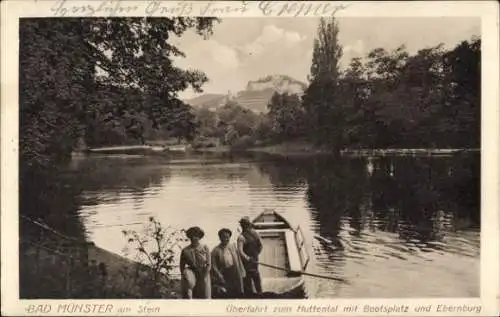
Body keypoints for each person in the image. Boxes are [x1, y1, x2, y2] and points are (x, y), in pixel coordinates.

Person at [211, 228, 246, 298]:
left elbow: (238, 261)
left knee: (237, 292)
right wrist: (219, 275)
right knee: (227, 293)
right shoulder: (215, 250)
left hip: (234, 271)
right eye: (224, 237)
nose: (226, 239)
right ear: (220, 238)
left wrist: (242, 272)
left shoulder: (233, 247)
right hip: (224, 273)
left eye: (228, 237)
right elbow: (213, 265)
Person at [180, 226, 211, 299]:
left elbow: (209, 263)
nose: (194, 238)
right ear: (190, 237)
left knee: (204, 294)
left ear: (200, 237)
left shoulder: (204, 247)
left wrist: (205, 274)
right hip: (191, 272)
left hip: (204, 272)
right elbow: (182, 265)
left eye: (196, 236)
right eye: (192, 236)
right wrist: (185, 275)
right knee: (190, 292)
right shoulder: (185, 250)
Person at [237, 216, 263, 297]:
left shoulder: (242, 237)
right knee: (253, 275)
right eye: (245, 225)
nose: (246, 226)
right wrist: (252, 256)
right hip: (250, 260)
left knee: (252, 275)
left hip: (251, 260)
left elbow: (240, 251)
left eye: (246, 225)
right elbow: (261, 246)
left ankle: (255, 293)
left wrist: (250, 257)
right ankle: (257, 292)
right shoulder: (254, 233)